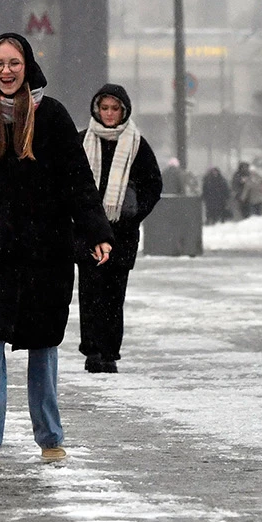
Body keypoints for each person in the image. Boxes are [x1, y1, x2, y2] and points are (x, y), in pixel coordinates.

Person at [0, 33, 112, 469]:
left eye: (14, 63)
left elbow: (77, 182)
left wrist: (96, 231)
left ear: (27, 67)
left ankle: (50, 437)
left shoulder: (51, 116)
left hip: (44, 250)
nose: (6, 71)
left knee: (43, 343)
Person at [76, 84, 162, 374]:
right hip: (88, 232)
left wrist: (135, 213)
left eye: (115, 109)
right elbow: (66, 183)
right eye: (105, 108)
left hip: (121, 234)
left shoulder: (137, 145)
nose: (109, 114)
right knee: (89, 293)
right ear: (96, 110)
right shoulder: (81, 141)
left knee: (114, 295)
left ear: (123, 111)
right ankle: (92, 351)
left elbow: (154, 184)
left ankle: (109, 351)